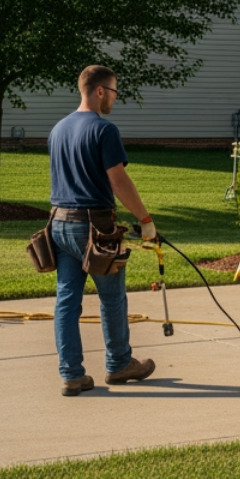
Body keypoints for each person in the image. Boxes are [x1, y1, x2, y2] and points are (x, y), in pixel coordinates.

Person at [48, 64, 158, 396]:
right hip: (94, 227)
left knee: (67, 301)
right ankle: (119, 364)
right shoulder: (103, 129)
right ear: (99, 91)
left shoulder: (58, 129)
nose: (115, 97)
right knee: (111, 298)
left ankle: (71, 374)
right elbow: (118, 180)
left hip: (59, 224)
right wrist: (145, 219)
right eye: (113, 91)